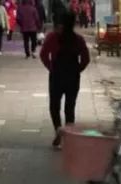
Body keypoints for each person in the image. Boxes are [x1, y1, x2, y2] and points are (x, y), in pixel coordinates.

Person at [39, 12, 89, 148]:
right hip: (72, 77)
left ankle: (58, 129)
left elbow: (43, 54)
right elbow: (86, 59)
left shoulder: (52, 37)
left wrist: (51, 67)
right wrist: (78, 69)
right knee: (70, 107)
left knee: (54, 105)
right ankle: (69, 136)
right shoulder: (78, 39)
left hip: (57, 76)